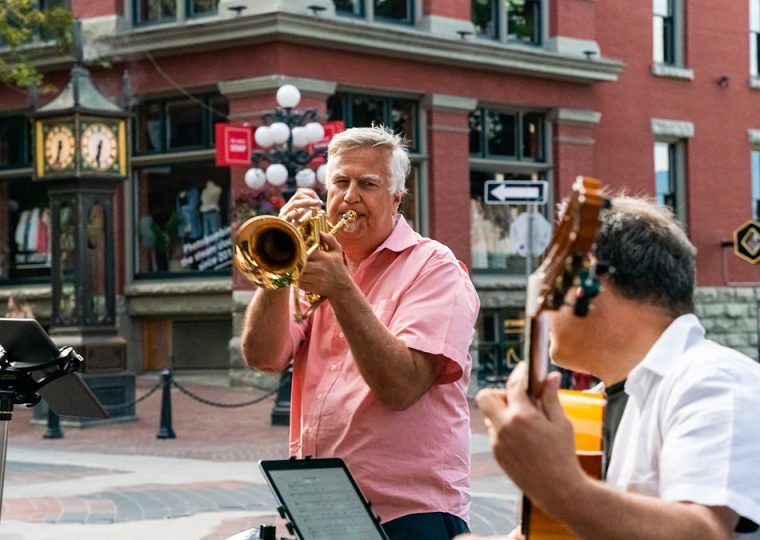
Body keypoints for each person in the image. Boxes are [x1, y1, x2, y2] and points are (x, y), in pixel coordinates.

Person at [460, 196, 760, 540]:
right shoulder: (591, 406)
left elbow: (705, 533)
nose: (542, 298)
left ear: (584, 278)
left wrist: (560, 486)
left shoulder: (715, 381)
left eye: (553, 275)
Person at [240, 125, 480, 540]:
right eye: (340, 182)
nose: (349, 197)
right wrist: (277, 270)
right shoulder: (317, 262)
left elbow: (402, 386)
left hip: (408, 515)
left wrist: (342, 289)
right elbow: (263, 357)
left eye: (367, 184)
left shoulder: (434, 268)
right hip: (320, 507)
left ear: (396, 198)